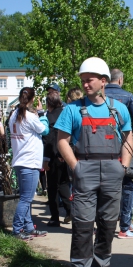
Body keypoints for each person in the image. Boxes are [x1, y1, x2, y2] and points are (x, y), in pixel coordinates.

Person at [55, 57, 133, 267]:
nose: (85, 85)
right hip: (85, 170)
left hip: (113, 169)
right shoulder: (72, 110)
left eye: (89, 80)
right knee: (83, 225)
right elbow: (62, 141)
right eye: (83, 80)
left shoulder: (118, 109)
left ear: (103, 81)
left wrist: (124, 167)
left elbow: (128, 137)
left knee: (109, 224)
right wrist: (76, 167)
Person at [9, 87, 49, 239]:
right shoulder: (30, 116)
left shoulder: (14, 114)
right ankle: (17, 229)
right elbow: (44, 130)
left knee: (26, 196)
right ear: (32, 99)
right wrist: (41, 113)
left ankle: (29, 227)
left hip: (20, 160)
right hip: (30, 161)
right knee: (26, 198)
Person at [42, 86, 72, 227]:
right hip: (66, 155)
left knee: (53, 187)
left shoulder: (49, 117)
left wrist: (46, 159)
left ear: (49, 104)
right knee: (64, 184)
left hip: (54, 155)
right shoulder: (66, 113)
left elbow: (48, 140)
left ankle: (55, 218)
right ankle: (70, 210)